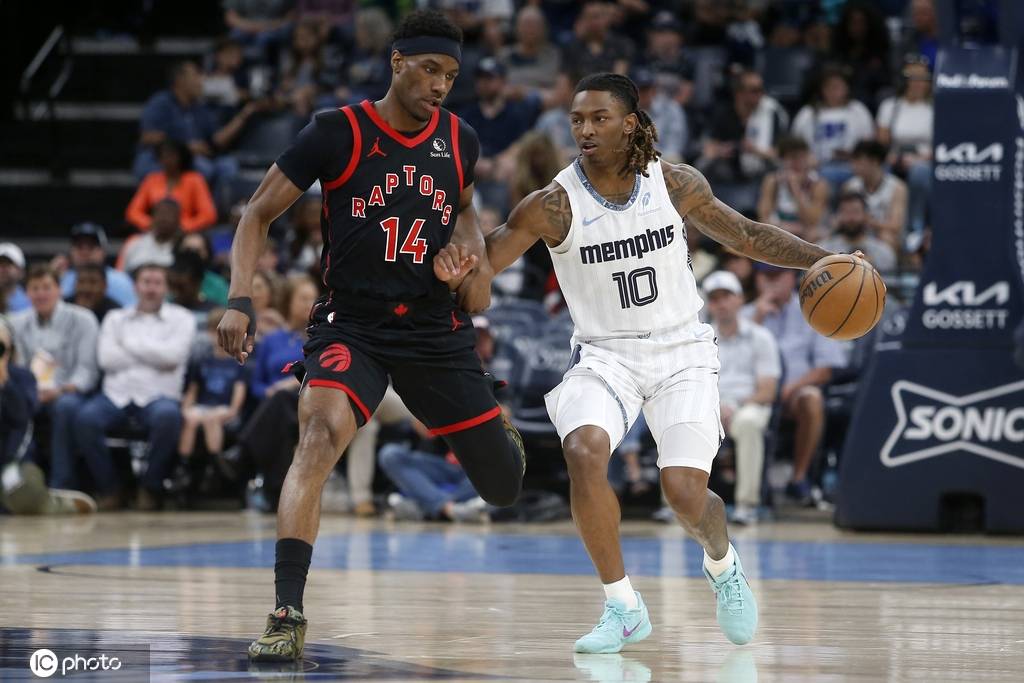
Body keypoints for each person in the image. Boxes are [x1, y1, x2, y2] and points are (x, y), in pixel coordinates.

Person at [468, 72, 845, 653]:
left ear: (630, 123)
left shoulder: (673, 183)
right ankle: (622, 606)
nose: (585, 129)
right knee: (583, 450)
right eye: (577, 119)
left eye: (599, 118)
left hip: (681, 350)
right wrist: (448, 258)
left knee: (684, 492)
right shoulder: (553, 205)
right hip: (605, 354)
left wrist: (825, 259)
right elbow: (483, 265)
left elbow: (746, 236)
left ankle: (723, 564)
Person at [215, 10, 526, 662]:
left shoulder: (460, 138)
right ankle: (286, 610)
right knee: (318, 433)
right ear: (397, 61)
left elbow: (466, 210)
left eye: (451, 75)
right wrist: (240, 298)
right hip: (352, 322)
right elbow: (257, 213)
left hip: (432, 325)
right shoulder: (338, 131)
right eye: (430, 69)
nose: (440, 85)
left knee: (503, 486)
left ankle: (500, 432)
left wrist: (470, 259)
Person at [73, 264, 195, 511]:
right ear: (135, 286)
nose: (151, 288)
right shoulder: (115, 318)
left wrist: (128, 344)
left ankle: (150, 488)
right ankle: (110, 488)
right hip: (115, 395)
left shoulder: (183, 318)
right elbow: (107, 359)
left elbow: (173, 357)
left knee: (168, 417)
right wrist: (154, 352)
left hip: (159, 396)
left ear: (166, 288)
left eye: (157, 283)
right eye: (146, 282)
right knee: (85, 419)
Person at [744, 263, 847, 505]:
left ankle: (798, 478)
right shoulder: (746, 314)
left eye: (778, 275)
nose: (772, 283)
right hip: (752, 394)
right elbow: (733, 361)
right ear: (756, 279)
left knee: (812, 398)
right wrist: (757, 320)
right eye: (766, 276)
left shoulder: (813, 311)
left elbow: (825, 368)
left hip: (793, 394)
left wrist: (788, 389)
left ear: (792, 278)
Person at [10, 266, 99, 493]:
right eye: (35, 288)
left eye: (46, 287)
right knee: (11, 405)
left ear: (59, 290)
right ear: (26, 293)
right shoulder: (15, 323)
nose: (41, 294)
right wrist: (30, 391)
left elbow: (87, 371)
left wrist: (60, 390)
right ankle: (17, 485)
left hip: (70, 392)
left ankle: (62, 486)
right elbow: (16, 368)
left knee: (65, 407)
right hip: (30, 392)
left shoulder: (84, 319)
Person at [703, 271, 780, 526]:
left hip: (750, 404)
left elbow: (768, 390)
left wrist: (734, 407)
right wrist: (716, 408)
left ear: (740, 299)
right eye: (715, 298)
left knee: (747, 423)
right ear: (708, 305)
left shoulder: (761, 337)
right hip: (710, 406)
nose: (721, 304)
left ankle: (747, 505)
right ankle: (676, 505)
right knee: (679, 421)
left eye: (727, 296)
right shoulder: (700, 340)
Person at [179, 309, 248, 461]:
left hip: (223, 407)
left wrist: (233, 410)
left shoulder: (237, 363)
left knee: (212, 419)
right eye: (214, 332)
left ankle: (215, 462)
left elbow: (239, 390)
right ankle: (183, 462)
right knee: (190, 419)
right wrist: (185, 408)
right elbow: (193, 389)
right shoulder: (203, 360)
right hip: (203, 405)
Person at [790, 66, 874, 188]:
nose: (834, 91)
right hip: (817, 167)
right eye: (829, 87)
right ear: (822, 90)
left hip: (852, 166)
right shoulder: (808, 113)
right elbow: (794, 146)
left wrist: (853, 156)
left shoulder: (858, 110)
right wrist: (807, 159)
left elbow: (868, 144)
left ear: (847, 88)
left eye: (838, 87)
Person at [877, 54, 933, 235]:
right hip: (895, 158)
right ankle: (884, 224)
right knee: (880, 171)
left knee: (919, 172)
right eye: (912, 78)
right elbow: (882, 142)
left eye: (922, 78)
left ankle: (915, 226)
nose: (917, 83)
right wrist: (892, 157)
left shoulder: (935, 107)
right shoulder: (890, 106)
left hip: (926, 159)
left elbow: (943, 145)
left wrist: (920, 158)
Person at [126, 140, 217, 233]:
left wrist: (184, 226)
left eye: (172, 156)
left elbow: (208, 215)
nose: (168, 160)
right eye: (164, 156)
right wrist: (151, 224)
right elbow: (133, 212)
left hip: (184, 233)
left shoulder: (195, 180)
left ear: (181, 157)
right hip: (155, 232)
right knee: (133, 241)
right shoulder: (151, 180)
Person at [757, 136, 829, 243]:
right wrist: (785, 228)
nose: (798, 162)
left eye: (802, 157)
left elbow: (812, 221)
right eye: (792, 157)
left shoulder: (818, 184)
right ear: (783, 160)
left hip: (806, 237)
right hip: (780, 233)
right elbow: (763, 218)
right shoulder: (773, 181)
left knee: (815, 234)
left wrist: (795, 189)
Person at [842, 140, 908, 249]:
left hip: (880, 234)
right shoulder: (850, 186)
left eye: (859, 162)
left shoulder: (897, 188)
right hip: (856, 232)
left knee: (887, 237)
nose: (854, 166)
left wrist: (868, 221)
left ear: (875, 161)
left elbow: (896, 226)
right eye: (854, 161)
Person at [59, 223, 136, 308]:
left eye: (91, 246)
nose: (84, 252)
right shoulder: (62, 278)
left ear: (103, 251)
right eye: (79, 246)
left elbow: (131, 312)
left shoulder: (120, 280)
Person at [819, 192, 897, 274]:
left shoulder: (883, 251)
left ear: (866, 215)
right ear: (839, 216)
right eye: (846, 212)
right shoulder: (825, 249)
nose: (851, 218)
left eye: (856, 212)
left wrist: (871, 267)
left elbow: (889, 280)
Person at [500, 5, 561, 90]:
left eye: (534, 25)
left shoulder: (554, 55)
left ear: (543, 28)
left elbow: (559, 89)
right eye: (526, 24)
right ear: (516, 27)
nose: (529, 29)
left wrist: (524, 91)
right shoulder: (504, 55)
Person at [119, 199, 184, 273]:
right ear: (153, 216)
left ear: (178, 220)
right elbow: (120, 275)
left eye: (170, 214)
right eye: (161, 213)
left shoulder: (184, 249)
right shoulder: (134, 244)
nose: (164, 218)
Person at [0, 243, 29, 314]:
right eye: (0, 263)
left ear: (21, 271)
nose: (3, 268)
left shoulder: (31, 301)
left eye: (9, 263)